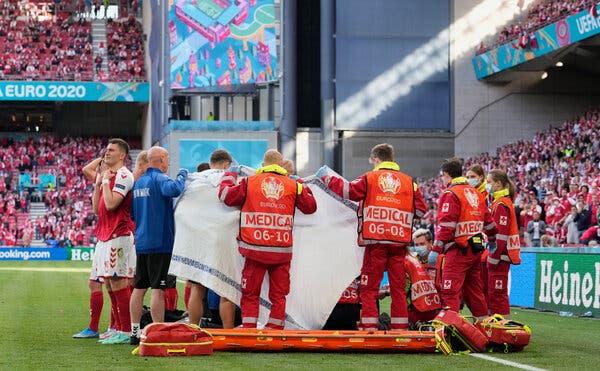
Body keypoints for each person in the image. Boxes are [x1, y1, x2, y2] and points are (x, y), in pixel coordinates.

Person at [319, 143, 426, 330]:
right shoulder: (410, 183)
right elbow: (420, 211)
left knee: (369, 289)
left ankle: (370, 330)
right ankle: (399, 330)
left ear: (375, 159)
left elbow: (348, 191)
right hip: (399, 242)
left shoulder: (370, 178)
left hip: (375, 241)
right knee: (398, 288)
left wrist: (326, 178)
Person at [219, 149, 317, 329]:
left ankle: (249, 330)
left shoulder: (249, 182)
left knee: (250, 294)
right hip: (281, 252)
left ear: (263, 165)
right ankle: (276, 330)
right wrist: (299, 181)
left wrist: (230, 174)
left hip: (254, 249)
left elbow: (225, 196)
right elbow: (311, 207)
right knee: (279, 296)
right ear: (281, 166)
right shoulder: (293, 185)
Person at [129, 146, 188, 345]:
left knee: (139, 288)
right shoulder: (159, 178)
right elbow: (175, 189)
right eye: (168, 158)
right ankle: (157, 332)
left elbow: (132, 214)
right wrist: (183, 174)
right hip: (160, 243)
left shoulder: (138, 183)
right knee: (158, 289)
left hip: (142, 242)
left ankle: (135, 332)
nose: (169, 162)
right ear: (161, 159)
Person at [428, 157, 497, 321]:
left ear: (446, 174)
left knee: (450, 291)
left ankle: (451, 329)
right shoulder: (476, 193)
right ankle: (483, 327)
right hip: (475, 251)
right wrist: (493, 240)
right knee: (474, 292)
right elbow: (490, 223)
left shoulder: (451, 194)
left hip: (458, 250)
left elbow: (446, 227)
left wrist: (436, 249)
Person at [88, 138, 136, 344]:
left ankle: (126, 331)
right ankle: (117, 326)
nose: (106, 153)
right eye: (106, 150)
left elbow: (110, 205)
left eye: (111, 150)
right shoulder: (110, 175)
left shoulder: (124, 175)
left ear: (122, 155)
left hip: (119, 235)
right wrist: (99, 183)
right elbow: (96, 208)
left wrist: (106, 181)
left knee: (118, 281)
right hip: (107, 235)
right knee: (109, 281)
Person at [187, 150, 238, 329]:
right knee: (226, 290)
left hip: (199, 238)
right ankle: (228, 333)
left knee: (197, 288)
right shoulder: (231, 178)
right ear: (226, 164)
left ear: (211, 163)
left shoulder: (196, 180)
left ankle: (193, 327)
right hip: (223, 239)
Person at [486, 169, 521, 318]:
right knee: (495, 292)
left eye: (489, 182)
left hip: (501, 256)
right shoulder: (499, 202)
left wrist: (493, 258)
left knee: (497, 293)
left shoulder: (501, 204)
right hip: (501, 255)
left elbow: (500, 235)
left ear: (499, 184)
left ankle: (503, 328)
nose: (487, 185)